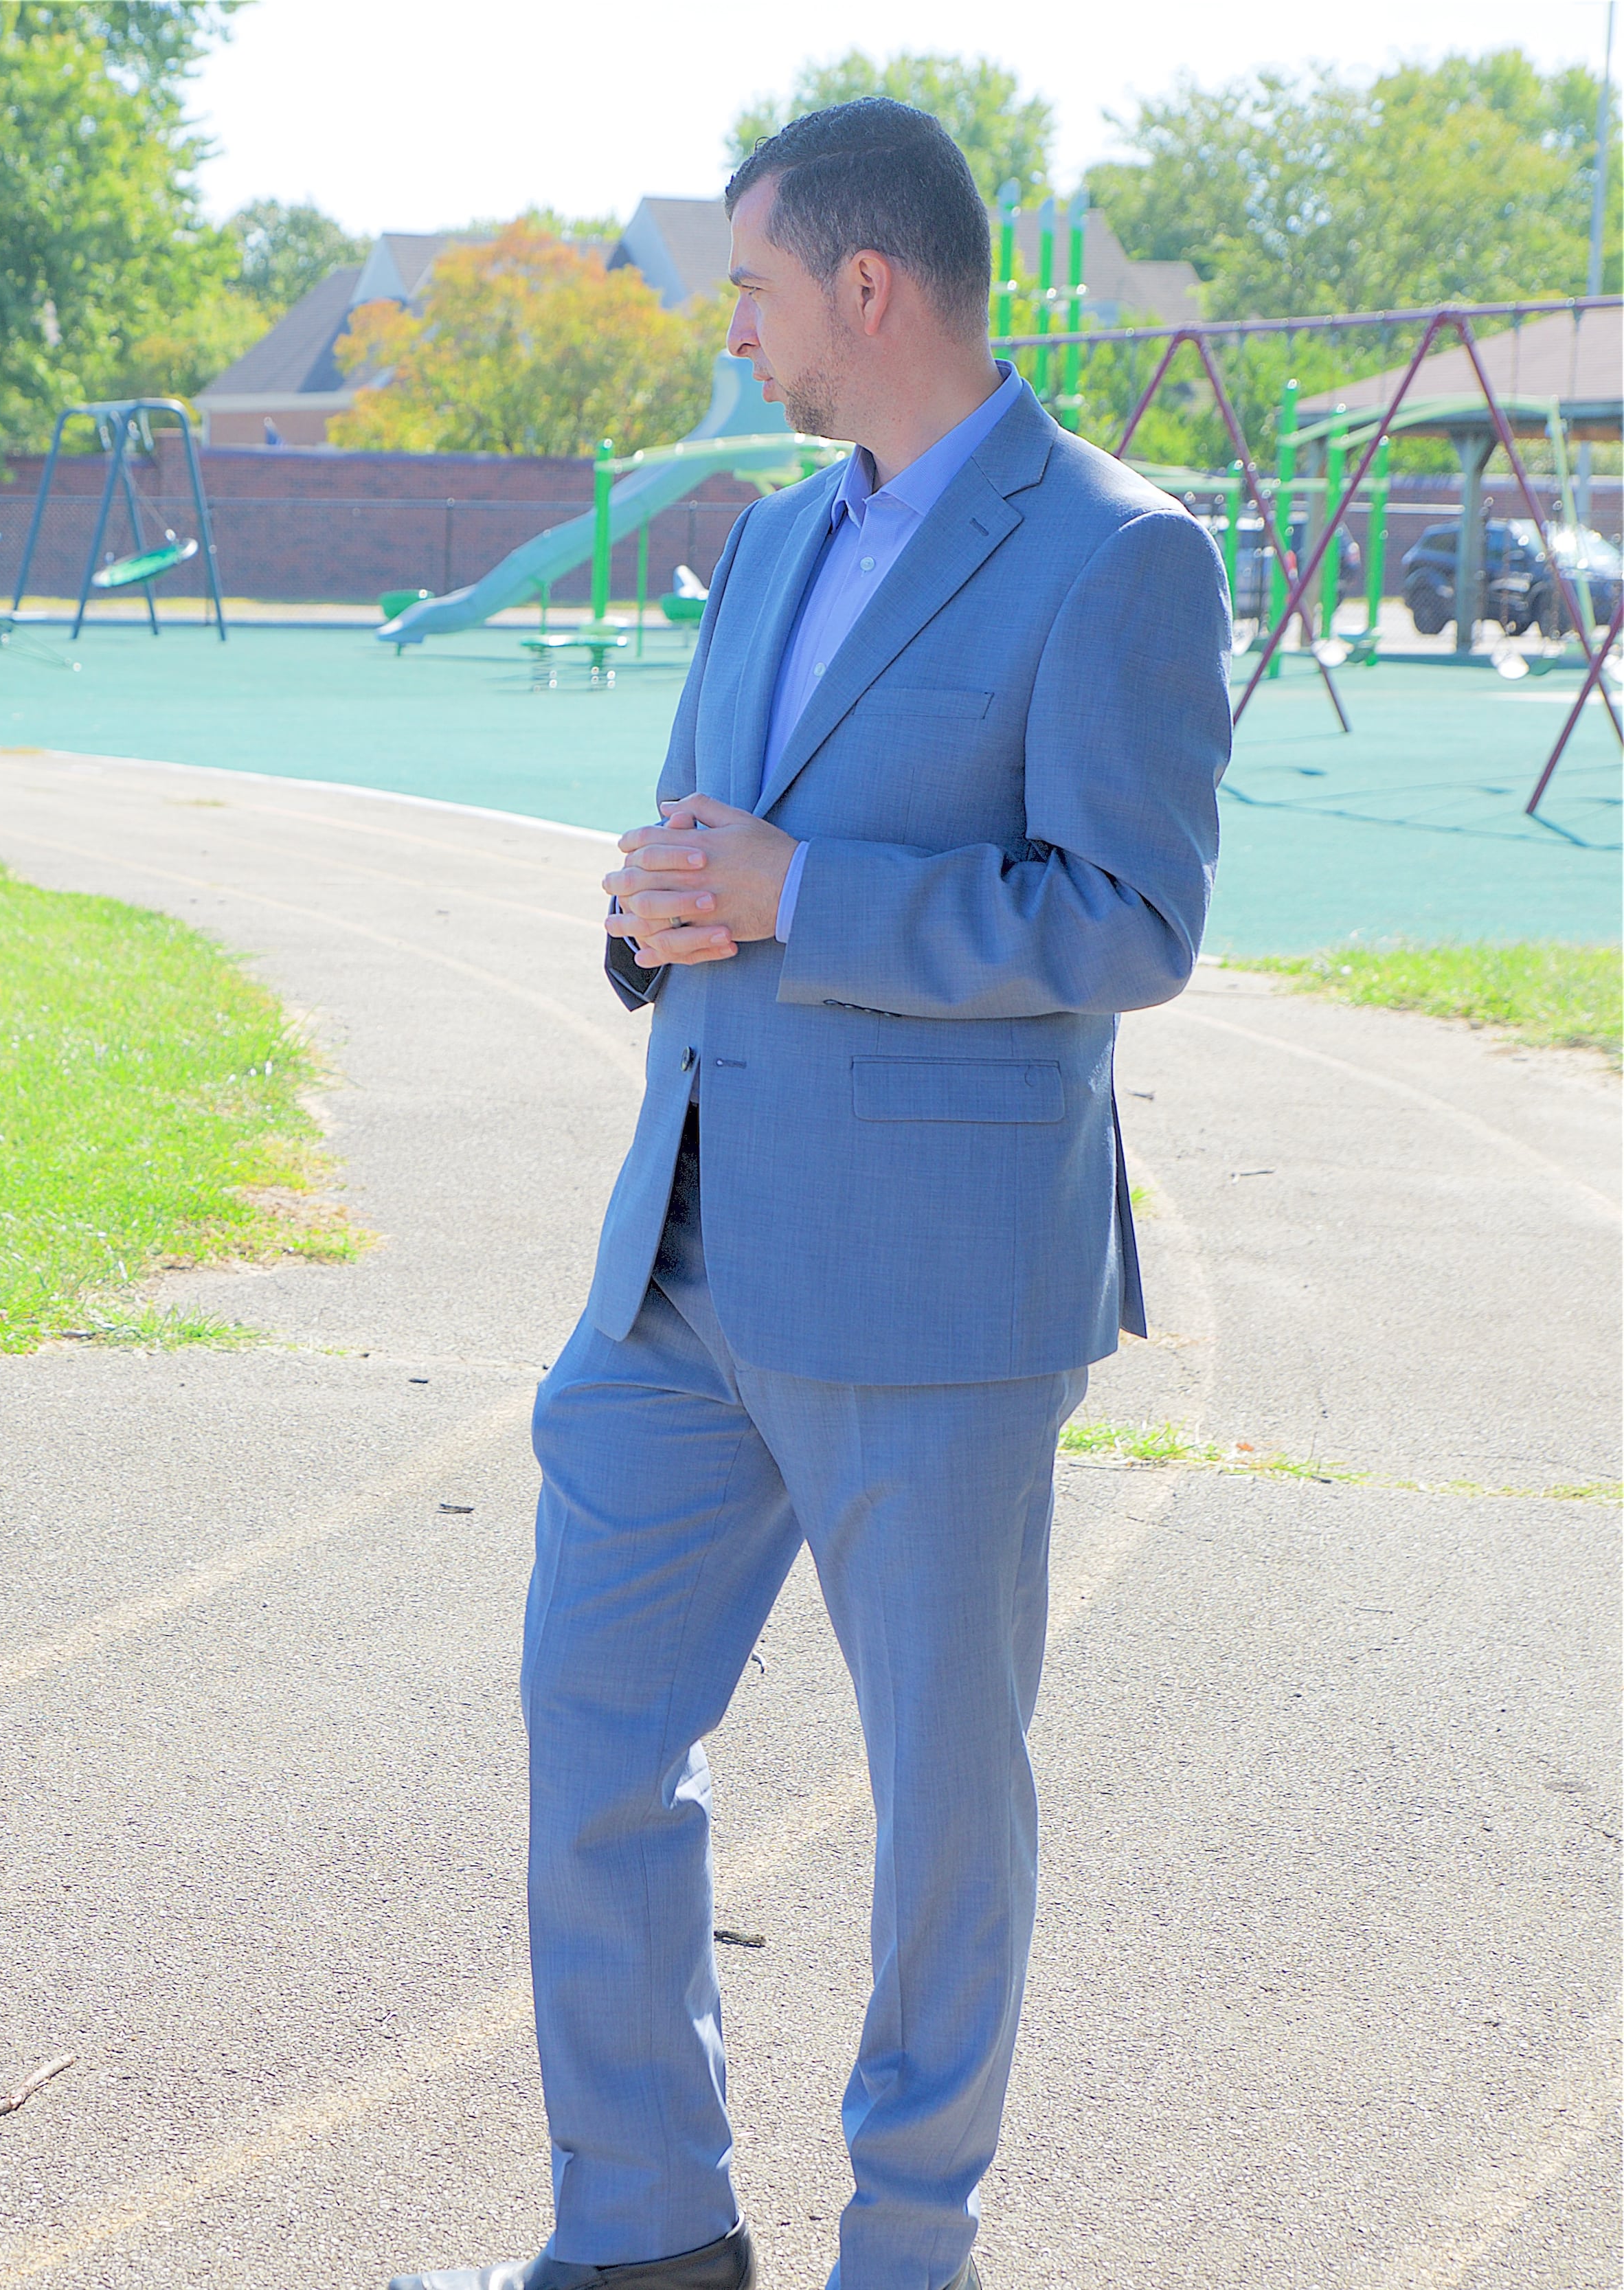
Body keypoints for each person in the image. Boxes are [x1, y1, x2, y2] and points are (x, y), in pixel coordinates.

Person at [391, 100, 1230, 2290]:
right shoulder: (769, 541)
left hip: (937, 1297)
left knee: (942, 1821)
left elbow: (1128, 923)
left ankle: (908, 2254)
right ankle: (645, 2237)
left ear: (868, 290)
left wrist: (799, 894)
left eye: (750, 289)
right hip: (676, 1266)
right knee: (594, 1736)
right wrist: (660, 903)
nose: (732, 330)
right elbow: (711, 842)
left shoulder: (1122, 555)